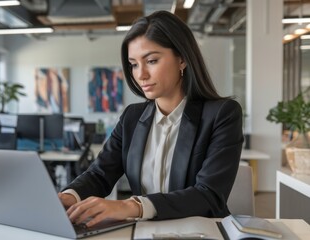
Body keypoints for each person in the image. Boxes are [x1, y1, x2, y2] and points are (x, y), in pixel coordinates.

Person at [58, 10, 243, 227]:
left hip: (200, 231)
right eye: (134, 64)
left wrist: (131, 206)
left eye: (152, 61)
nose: (141, 74)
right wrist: (68, 198)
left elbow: (209, 195)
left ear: (182, 59)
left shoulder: (222, 114)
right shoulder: (132, 117)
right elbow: (100, 174)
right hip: (145, 232)